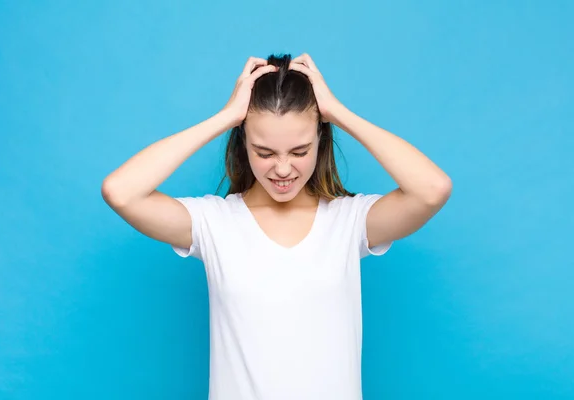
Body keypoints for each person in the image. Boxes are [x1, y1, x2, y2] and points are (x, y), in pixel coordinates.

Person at [101, 53, 452, 400]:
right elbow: (121, 192)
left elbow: (431, 190)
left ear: (321, 139)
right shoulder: (214, 223)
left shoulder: (349, 221)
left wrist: (337, 113)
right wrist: (226, 118)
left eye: (299, 151)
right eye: (265, 152)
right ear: (243, 143)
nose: (282, 170)